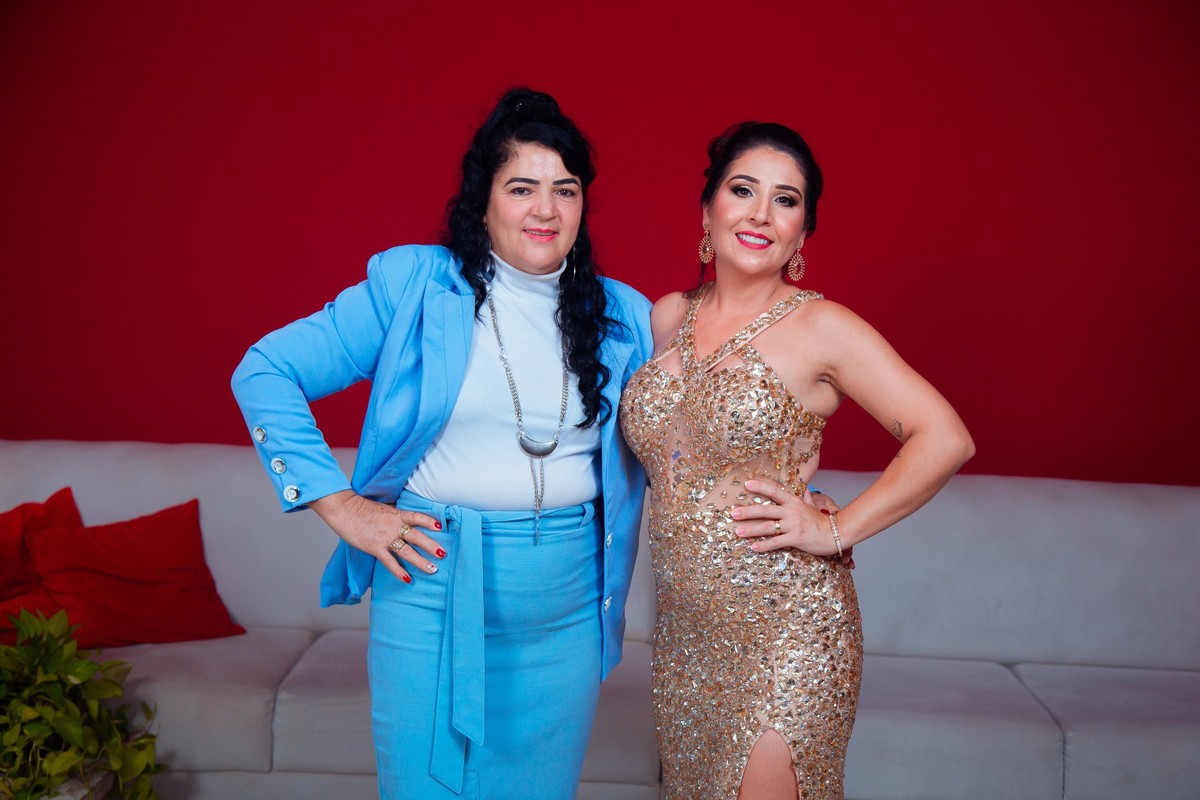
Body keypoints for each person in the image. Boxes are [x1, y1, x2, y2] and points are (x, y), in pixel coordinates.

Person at [232, 88, 652, 800]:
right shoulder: (414, 286)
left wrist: (802, 488)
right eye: (521, 188)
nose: (546, 210)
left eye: (565, 190)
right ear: (483, 202)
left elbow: (690, 442)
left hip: (566, 611)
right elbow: (265, 370)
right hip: (433, 589)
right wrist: (341, 506)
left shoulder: (626, 317)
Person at [619, 122, 975, 800]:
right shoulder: (667, 316)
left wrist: (835, 529)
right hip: (687, 638)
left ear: (802, 232)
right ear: (707, 210)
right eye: (742, 190)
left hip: (790, 629)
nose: (760, 213)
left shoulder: (822, 327)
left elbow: (944, 436)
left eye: (785, 200)